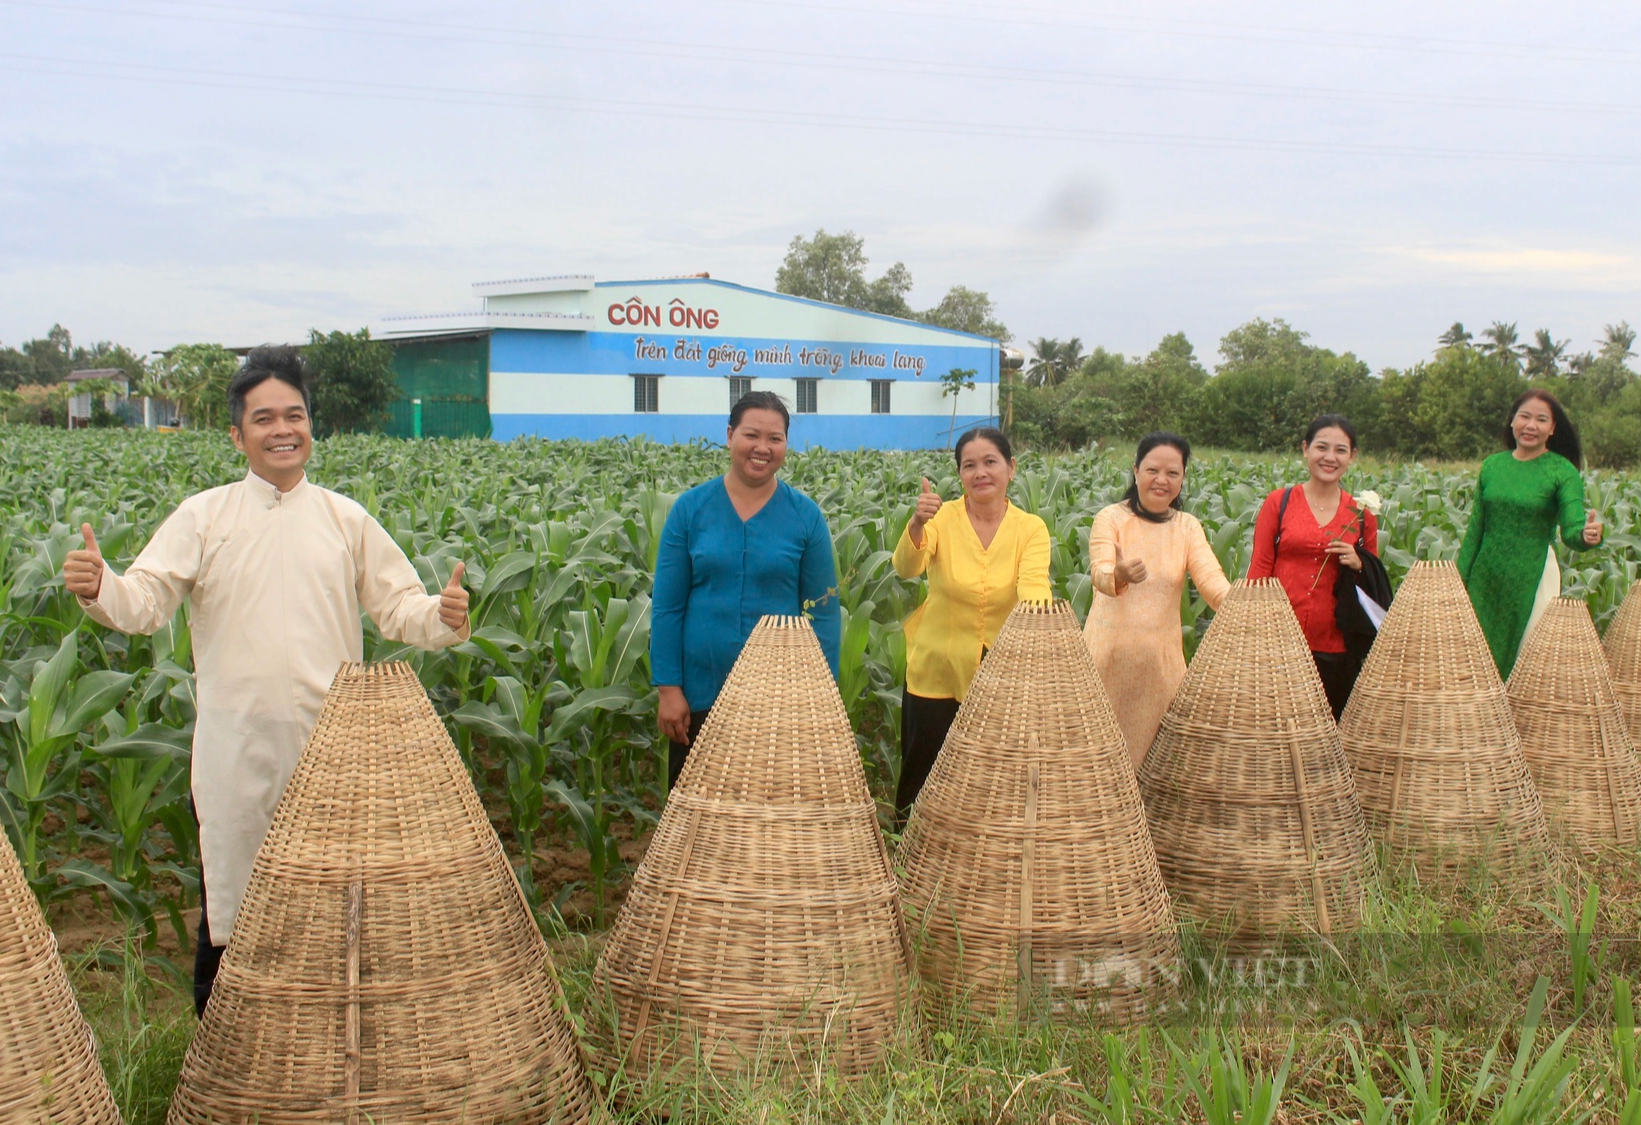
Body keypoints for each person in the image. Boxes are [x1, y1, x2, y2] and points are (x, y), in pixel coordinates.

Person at [60, 346, 471, 1016]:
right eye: (263, 418)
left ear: (312, 425)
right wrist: (99, 584)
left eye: (294, 414)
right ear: (237, 434)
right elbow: (144, 603)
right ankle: (222, 1066)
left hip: (330, 751)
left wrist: (442, 613)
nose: (282, 428)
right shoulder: (204, 516)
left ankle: (326, 1054)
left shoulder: (344, 519)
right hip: (236, 749)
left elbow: (399, 607)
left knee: (335, 907)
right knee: (234, 906)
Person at [650, 391, 841, 788]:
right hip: (699, 693)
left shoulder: (805, 517)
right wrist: (668, 688)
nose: (762, 448)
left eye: (775, 439)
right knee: (694, 818)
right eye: (751, 435)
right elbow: (667, 607)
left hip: (778, 702)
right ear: (729, 435)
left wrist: (820, 699)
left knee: (767, 821)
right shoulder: (690, 510)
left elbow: (824, 612)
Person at [890, 427, 1051, 823]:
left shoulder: (1030, 529)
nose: (980, 472)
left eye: (990, 462)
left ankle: (977, 854)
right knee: (923, 770)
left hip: (1002, 673)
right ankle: (909, 849)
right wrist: (916, 524)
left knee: (991, 775)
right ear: (959, 474)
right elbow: (907, 569)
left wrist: (1043, 625)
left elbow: (1034, 586)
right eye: (969, 465)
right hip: (937, 667)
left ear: (1011, 468)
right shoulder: (942, 517)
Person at [1083, 433, 1230, 766]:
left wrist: (1242, 602)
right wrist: (1118, 575)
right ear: (1136, 471)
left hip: (1161, 672)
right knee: (1097, 765)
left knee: (1157, 769)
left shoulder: (1188, 527)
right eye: (1152, 470)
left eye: (1172, 473)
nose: (1161, 480)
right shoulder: (1111, 518)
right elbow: (1100, 572)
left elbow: (1210, 580)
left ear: (1182, 478)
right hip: (1106, 662)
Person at [1458, 389, 1603, 679]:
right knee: (1473, 660)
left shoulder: (1562, 471)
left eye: (1541, 420)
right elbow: (1476, 529)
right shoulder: (1492, 466)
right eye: (1524, 416)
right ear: (1512, 421)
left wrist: (1586, 535)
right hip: (1486, 579)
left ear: (1552, 428)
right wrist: (1458, 580)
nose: (1530, 426)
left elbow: (1573, 527)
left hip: (1533, 577)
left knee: (1527, 668)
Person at [1247, 415, 1382, 720]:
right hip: (1279, 641)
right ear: (1305, 449)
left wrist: (1358, 562)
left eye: (1340, 450)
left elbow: (1372, 580)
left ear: (1353, 456)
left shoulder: (1361, 514)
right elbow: (1259, 570)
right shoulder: (1279, 502)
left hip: (1336, 643)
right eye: (1321, 447)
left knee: (1327, 733)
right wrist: (1253, 630)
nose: (1330, 457)